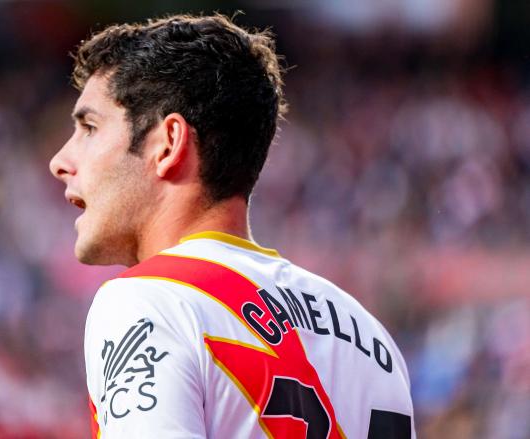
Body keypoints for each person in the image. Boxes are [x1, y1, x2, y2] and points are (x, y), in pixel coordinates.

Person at [49, 13, 415, 439]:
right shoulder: (372, 337)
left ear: (168, 145)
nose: (60, 161)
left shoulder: (148, 300)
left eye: (89, 128)